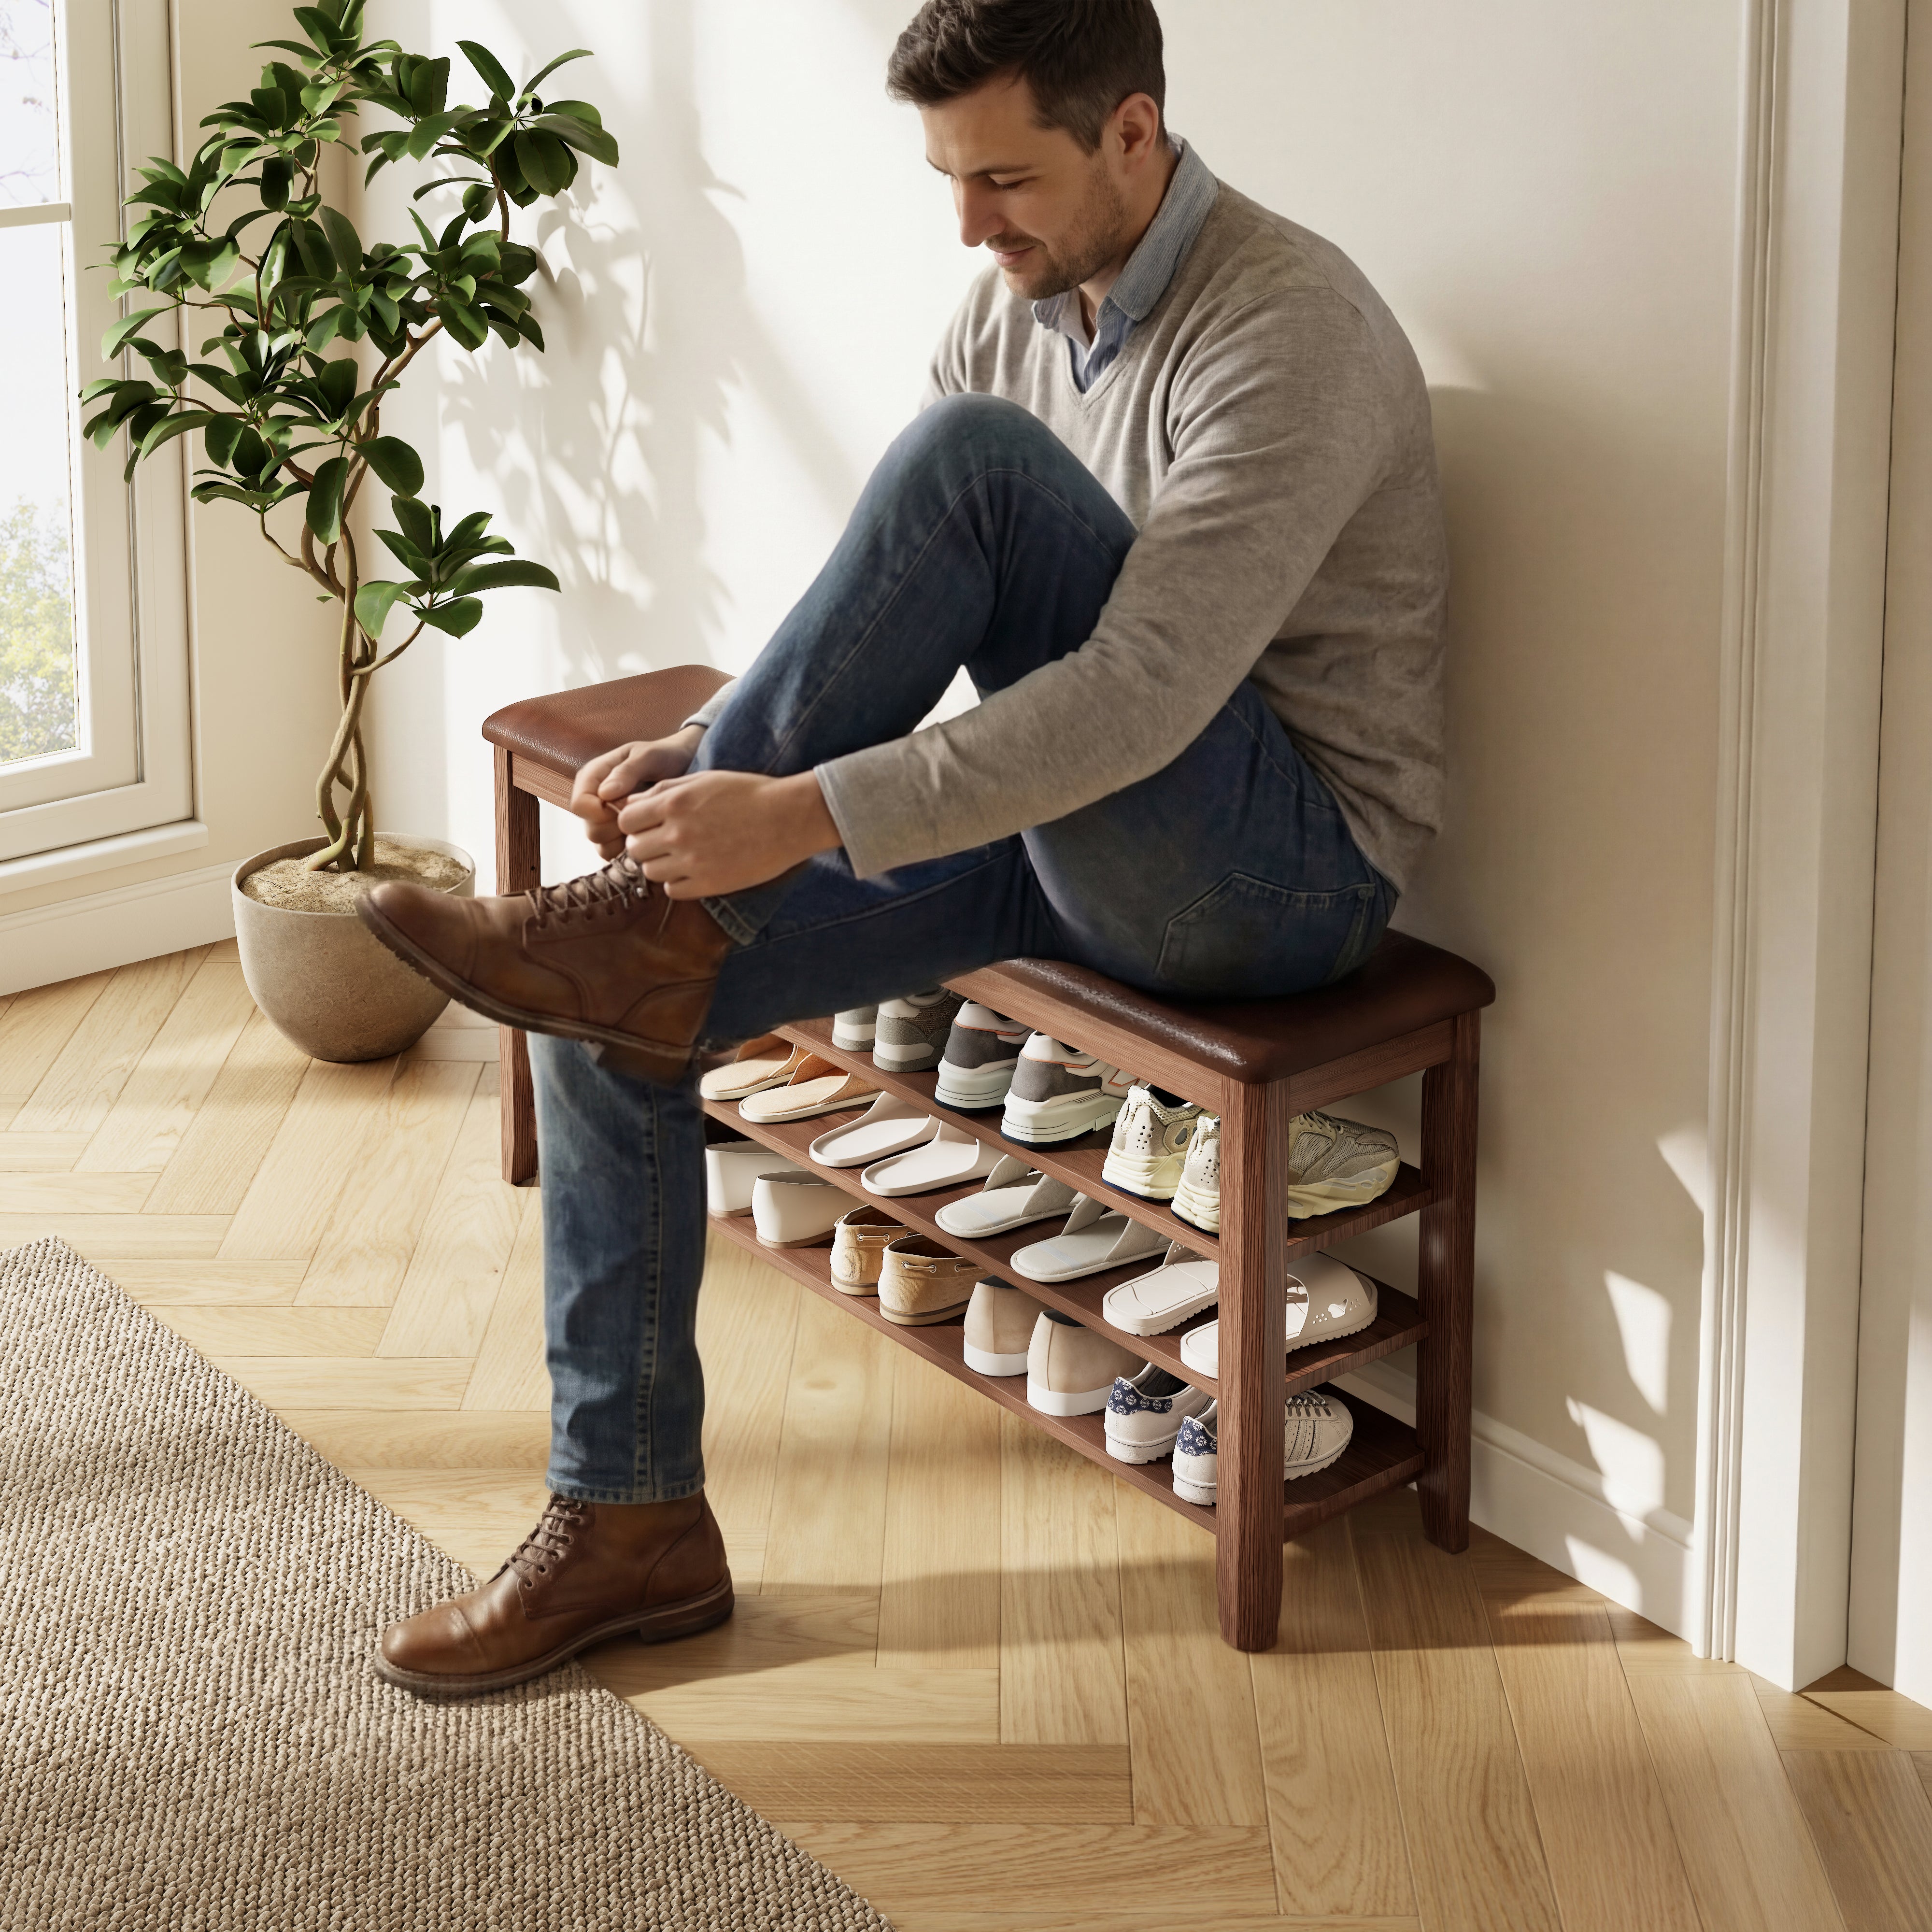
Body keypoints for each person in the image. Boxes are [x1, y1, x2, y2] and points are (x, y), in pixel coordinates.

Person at [359, 0, 1447, 1697]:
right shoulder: (1009, 307)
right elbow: (892, 612)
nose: (968, 225)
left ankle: (638, 920)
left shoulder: (1290, 328)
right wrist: (717, 752)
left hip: (1274, 883)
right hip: (1062, 831)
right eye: (948, 178)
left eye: (1005, 177)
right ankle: (631, 1522)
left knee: (967, 472)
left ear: (1136, 137)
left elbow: (1145, 699)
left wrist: (785, 810)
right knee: (616, 1001)